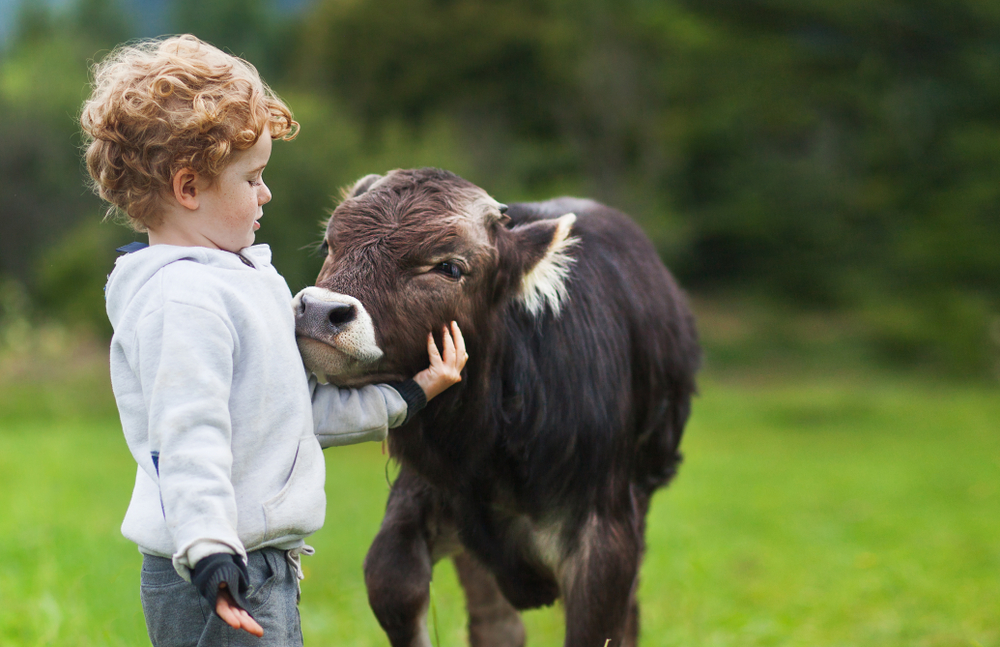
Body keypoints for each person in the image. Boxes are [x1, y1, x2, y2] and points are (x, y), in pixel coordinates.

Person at [80, 34, 467, 645]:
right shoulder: (183, 303)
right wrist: (209, 550)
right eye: (253, 178)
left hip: (257, 564)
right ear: (189, 189)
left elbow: (291, 414)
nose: (266, 194)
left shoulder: (238, 280)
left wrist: (412, 394)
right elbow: (189, 436)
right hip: (215, 571)